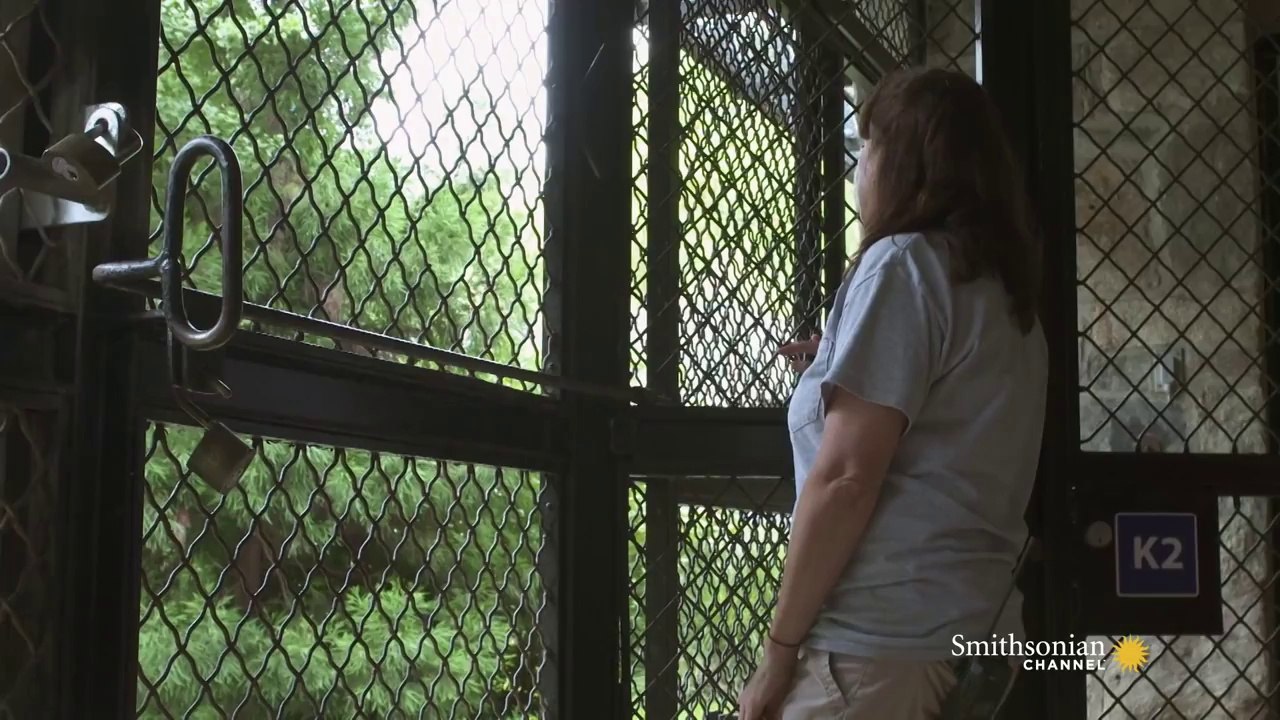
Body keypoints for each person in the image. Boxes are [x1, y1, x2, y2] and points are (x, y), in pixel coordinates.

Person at [737, 67, 1048, 719]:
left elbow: (846, 479)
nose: (858, 172)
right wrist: (845, 359)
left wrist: (778, 652)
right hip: (980, 635)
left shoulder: (902, 263)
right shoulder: (1007, 297)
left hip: (881, 643)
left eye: (867, 150)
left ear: (904, 163)